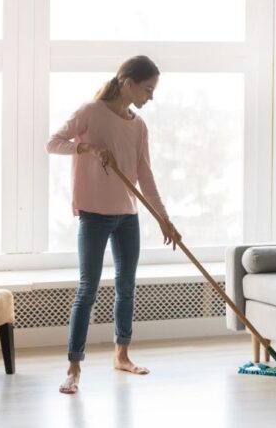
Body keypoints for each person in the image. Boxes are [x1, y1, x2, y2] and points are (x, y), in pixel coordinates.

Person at [46, 55, 181, 395]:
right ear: (127, 81)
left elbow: (145, 175)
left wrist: (164, 219)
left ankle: (121, 354)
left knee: (127, 287)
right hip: (94, 214)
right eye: (148, 89)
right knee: (87, 289)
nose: (151, 96)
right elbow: (54, 143)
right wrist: (87, 147)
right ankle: (73, 367)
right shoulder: (90, 112)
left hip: (127, 216)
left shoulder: (138, 126)